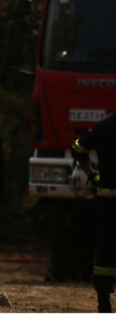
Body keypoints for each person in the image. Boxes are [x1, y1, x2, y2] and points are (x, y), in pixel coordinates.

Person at [71, 110, 116, 313]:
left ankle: (103, 302)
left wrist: (92, 175)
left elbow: (78, 149)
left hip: (108, 199)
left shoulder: (103, 126)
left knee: (106, 248)